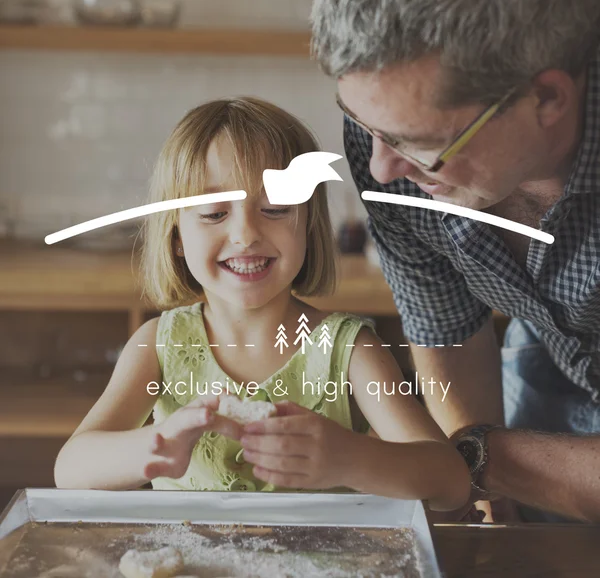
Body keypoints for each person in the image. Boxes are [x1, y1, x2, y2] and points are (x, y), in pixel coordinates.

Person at [53, 96, 470, 512]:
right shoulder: (158, 345)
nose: (246, 233)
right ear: (176, 236)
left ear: (308, 222)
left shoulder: (350, 350)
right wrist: (157, 446)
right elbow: (70, 469)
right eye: (215, 213)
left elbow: (449, 481)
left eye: (275, 208)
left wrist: (351, 458)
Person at [311, 0, 600, 522]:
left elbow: (474, 456)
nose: (380, 168)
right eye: (364, 125)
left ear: (547, 101)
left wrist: (479, 457)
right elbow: (447, 329)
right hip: (550, 355)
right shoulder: (388, 140)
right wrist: (485, 497)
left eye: (421, 145)